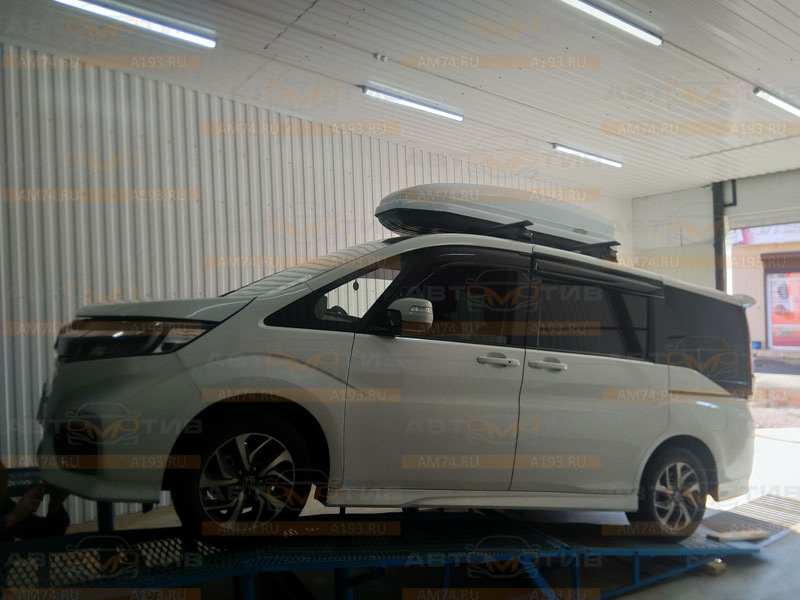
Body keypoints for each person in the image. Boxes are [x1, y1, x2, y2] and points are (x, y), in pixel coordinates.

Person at [0, 462, 70, 542]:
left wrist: (55, 503)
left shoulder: (4, 505)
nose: (2, 489)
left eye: (4, 483)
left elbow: (47, 532)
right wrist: (13, 517)